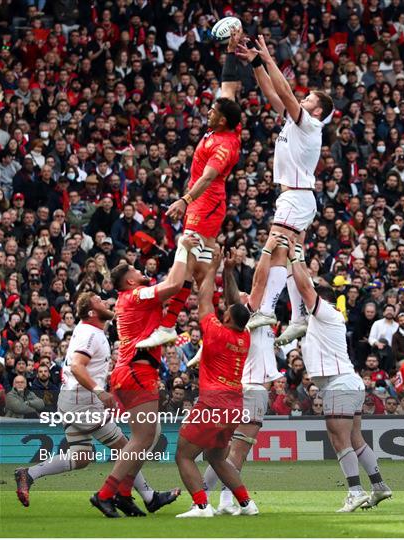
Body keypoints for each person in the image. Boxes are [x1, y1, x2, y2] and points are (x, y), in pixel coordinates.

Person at [15, 292, 178, 516]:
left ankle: (28, 474)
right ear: (92, 312)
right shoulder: (91, 334)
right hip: (82, 402)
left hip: (72, 398)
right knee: (126, 448)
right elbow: (77, 366)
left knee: (81, 457)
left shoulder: (89, 331)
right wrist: (101, 392)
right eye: (99, 301)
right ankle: (148, 496)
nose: (105, 302)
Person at [136, 28, 243, 349]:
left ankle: (143, 306)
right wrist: (232, 49)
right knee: (202, 267)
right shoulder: (227, 120)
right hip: (203, 203)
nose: (208, 111)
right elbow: (229, 85)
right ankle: (207, 336)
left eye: (213, 111)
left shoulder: (225, 145)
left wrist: (185, 200)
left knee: (188, 265)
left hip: (207, 203)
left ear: (223, 121)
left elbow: (208, 178)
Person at [236, 35, 334, 346]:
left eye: (309, 100)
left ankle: (264, 307)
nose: (303, 100)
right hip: (297, 196)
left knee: (273, 247)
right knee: (292, 256)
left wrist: (266, 56)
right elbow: (271, 93)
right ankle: (298, 318)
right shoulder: (295, 121)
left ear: (316, 112)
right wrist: (255, 63)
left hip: (297, 195)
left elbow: (285, 91)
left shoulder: (310, 125)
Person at [90, 234, 198, 518]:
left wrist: (192, 266)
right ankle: (104, 495)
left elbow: (177, 291)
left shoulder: (133, 298)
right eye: (137, 271)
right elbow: (173, 285)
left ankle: (124, 495)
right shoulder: (136, 296)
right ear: (129, 281)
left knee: (146, 437)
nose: (142, 272)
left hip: (131, 371)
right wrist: (183, 248)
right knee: (142, 438)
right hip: (136, 372)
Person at [286, 237, 392, 512]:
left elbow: (305, 288)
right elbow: (299, 294)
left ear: (323, 301)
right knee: (355, 439)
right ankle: (379, 487)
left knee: (339, 439)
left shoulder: (327, 314)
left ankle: (355, 491)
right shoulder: (318, 323)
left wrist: (295, 257)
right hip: (347, 382)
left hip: (339, 383)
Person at [203, 236, 283, 514]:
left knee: (224, 452)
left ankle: (207, 497)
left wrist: (227, 270)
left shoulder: (246, 323)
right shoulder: (250, 319)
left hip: (242, 389)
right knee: (235, 451)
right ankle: (221, 500)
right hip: (252, 389)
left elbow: (234, 299)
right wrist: (269, 250)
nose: (248, 297)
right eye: (245, 299)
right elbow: (240, 295)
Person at [175, 248, 257, 518]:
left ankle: (201, 506)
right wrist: (228, 271)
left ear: (226, 319)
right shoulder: (244, 337)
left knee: (183, 455)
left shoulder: (215, 333)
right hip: (234, 405)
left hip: (213, 403)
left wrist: (212, 269)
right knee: (216, 457)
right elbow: (236, 308)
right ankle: (247, 503)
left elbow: (204, 300)